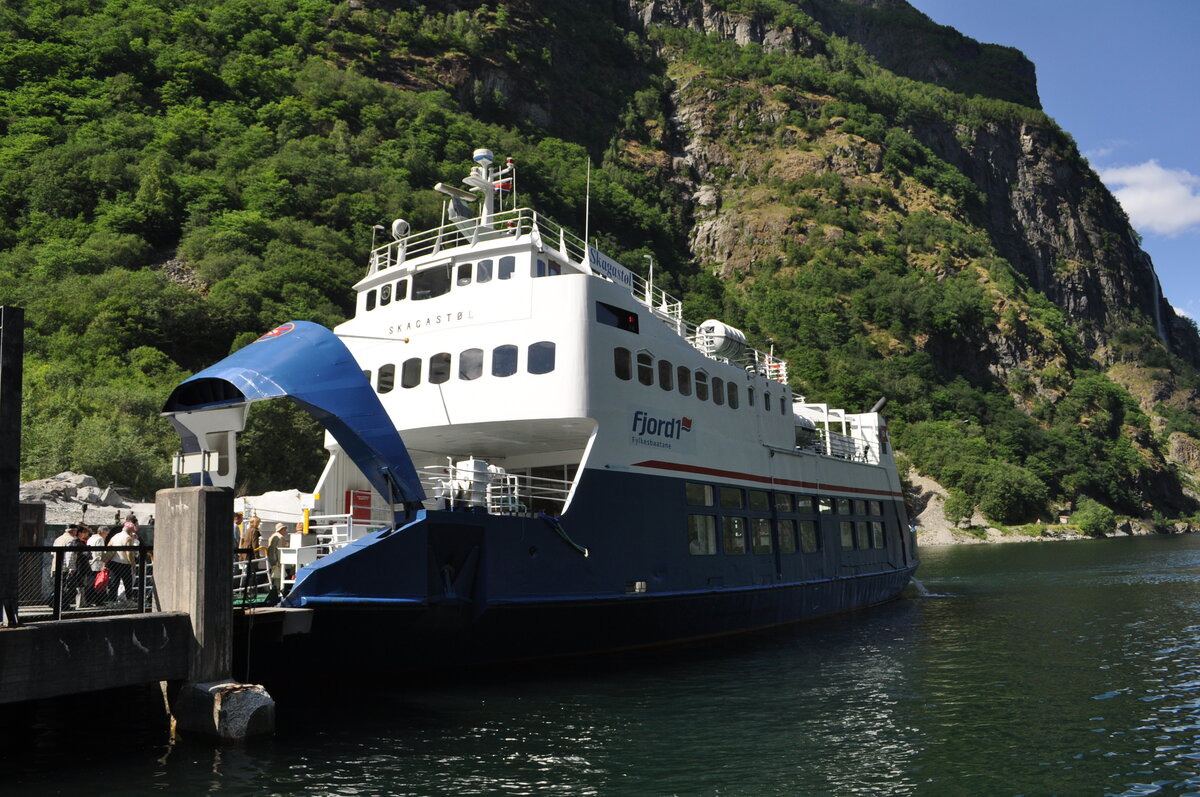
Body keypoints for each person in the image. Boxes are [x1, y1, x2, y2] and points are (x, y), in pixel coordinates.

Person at [107, 520, 139, 605]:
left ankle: (111, 601)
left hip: (114, 563)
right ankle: (129, 600)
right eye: (132, 530)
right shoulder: (128, 538)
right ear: (130, 530)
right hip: (124, 563)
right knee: (127, 583)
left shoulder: (115, 536)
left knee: (114, 583)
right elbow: (129, 553)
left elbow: (109, 547)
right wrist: (133, 564)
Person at [46, 525, 77, 609]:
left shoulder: (58, 539)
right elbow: (70, 555)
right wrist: (71, 567)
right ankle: (63, 605)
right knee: (65, 588)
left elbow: (52, 553)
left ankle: (55, 604)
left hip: (55, 566)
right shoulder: (71, 540)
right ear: (73, 531)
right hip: (65, 567)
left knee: (57, 586)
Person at [66, 526, 91, 609]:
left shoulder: (73, 543)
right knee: (80, 585)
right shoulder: (78, 543)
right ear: (80, 533)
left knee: (78, 585)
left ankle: (81, 602)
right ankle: (80, 603)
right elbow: (85, 555)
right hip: (80, 567)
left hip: (77, 567)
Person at [88, 525, 111, 605]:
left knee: (91, 583)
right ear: (103, 532)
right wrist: (105, 561)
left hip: (90, 562)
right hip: (98, 563)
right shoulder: (100, 539)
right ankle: (99, 601)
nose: (107, 535)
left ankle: (91, 600)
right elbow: (100, 552)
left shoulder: (91, 538)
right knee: (99, 583)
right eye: (106, 533)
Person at [266, 523, 289, 603]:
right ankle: (278, 592)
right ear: (281, 530)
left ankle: (273, 591)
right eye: (284, 529)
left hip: (272, 559)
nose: (285, 531)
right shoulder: (280, 537)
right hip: (278, 560)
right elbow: (279, 551)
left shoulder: (272, 536)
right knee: (279, 577)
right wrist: (279, 561)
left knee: (274, 576)